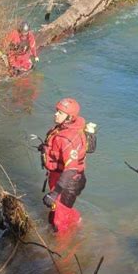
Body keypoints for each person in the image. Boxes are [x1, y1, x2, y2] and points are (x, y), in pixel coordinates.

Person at [40, 98, 87, 232]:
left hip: (68, 182)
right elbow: (56, 147)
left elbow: (71, 169)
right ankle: (76, 220)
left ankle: (63, 249)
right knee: (58, 212)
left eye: (60, 113)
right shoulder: (63, 128)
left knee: (59, 223)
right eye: (57, 111)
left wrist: (54, 193)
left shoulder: (68, 139)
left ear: (69, 117)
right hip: (58, 177)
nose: (56, 114)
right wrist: (45, 148)